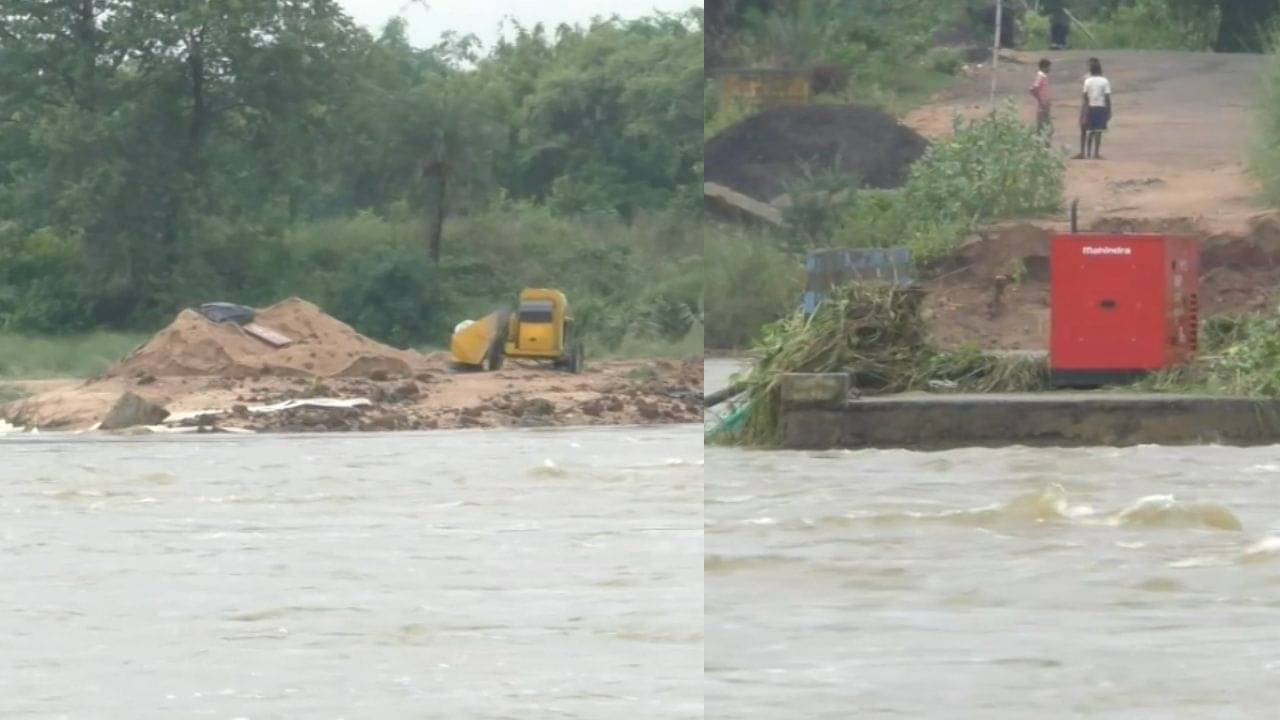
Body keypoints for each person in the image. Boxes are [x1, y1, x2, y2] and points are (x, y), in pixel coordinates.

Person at [1076, 57, 1111, 160]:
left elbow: (1084, 95)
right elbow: (1107, 97)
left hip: (1089, 106)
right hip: (1100, 107)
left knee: (1088, 130)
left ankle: (1086, 152)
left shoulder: (1087, 80)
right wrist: (1109, 110)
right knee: (1098, 131)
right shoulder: (1104, 81)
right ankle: (1095, 153)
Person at [1030, 58, 1053, 147]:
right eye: (1049, 67)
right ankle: (1042, 145)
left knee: (1045, 126)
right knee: (1044, 127)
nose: (1049, 69)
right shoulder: (1041, 76)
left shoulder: (1043, 76)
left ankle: (1042, 144)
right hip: (1043, 105)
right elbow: (1034, 88)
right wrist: (1040, 98)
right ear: (1044, 67)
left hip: (1044, 104)